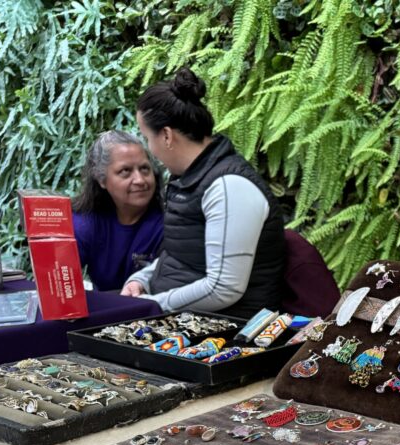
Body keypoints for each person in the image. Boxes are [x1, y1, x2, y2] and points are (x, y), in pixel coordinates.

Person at [121, 67, 285, 317]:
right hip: (176, 315)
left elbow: (224, 287)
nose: (150, 150)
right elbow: (181, 254)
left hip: (223, 331)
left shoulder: (230, 187)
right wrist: (141, 280)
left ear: (166, 135)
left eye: (147, 138)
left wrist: (154, 304)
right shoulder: (188, 178)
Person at [72, 131, 164, 291]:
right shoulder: (85, 222)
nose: (140, 180)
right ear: (101, 179)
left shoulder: (170, 221)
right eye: (125, 171)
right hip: (105, 309)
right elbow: (59, 282)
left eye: (144, 169)